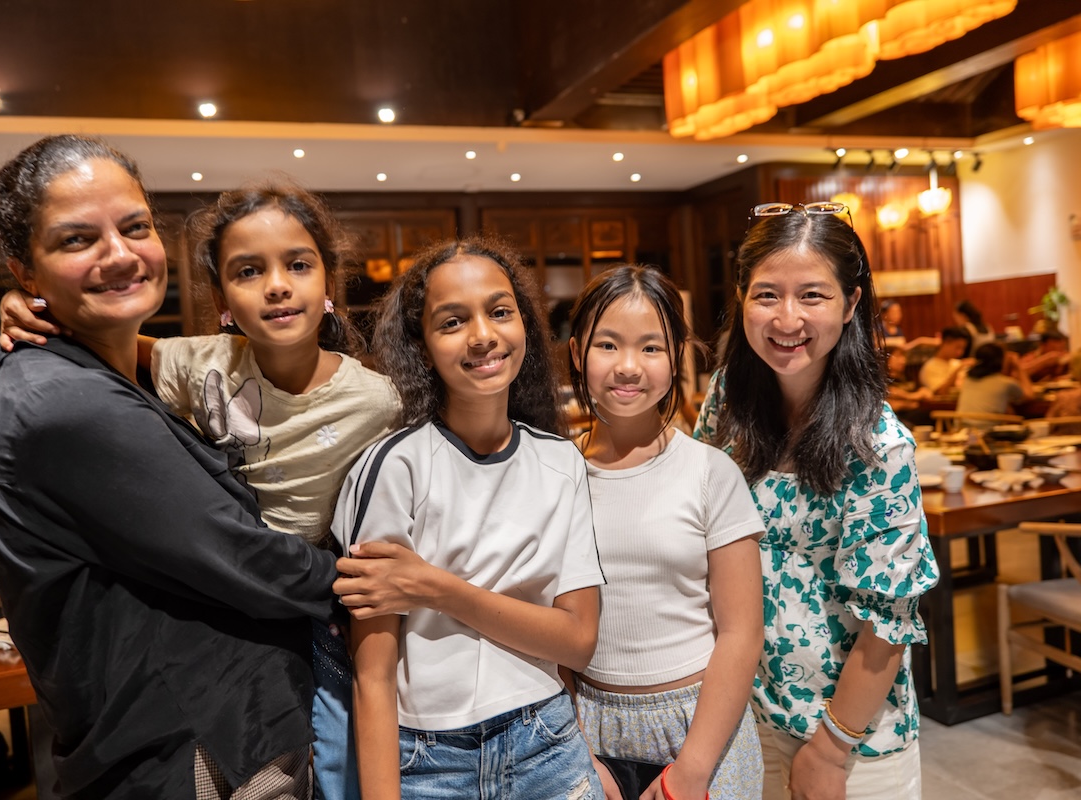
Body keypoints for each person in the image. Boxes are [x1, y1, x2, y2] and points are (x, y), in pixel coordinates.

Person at [0, 183, 404, 800]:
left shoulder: (377, 401)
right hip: (234, 614)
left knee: (341, 764)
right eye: (248, 271)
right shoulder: (203, 363)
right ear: (220, 299)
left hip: (323, 610)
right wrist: (29, 305)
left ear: (328, 282)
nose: (276, 285)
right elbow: (98, 340)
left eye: (298, 265)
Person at [331, 237, 606, 800]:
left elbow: (577, 641)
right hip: (428, 760)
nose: (483, 335)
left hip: (546, 739)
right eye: (453, 321)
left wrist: (436, 589)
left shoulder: (561, 461)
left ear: (524, 323)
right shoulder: (394, 467)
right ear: (421, 342)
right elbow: (372, 676)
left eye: (500, 312)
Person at [693, 201, 940, 800]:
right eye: (767, 295)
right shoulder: (728, 400)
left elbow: (887, 621)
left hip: (848, 738)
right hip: (741, 716)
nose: (787, 318)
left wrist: (830, 751)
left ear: (851, 304)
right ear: (741, 298)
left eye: (812, 295)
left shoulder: (877, 444)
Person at [566, 265, 765, 800]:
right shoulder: (554, 472)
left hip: (701, 726)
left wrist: (691, 771)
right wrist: (577, 749)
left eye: (651, 348)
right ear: (577, 352)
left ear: (676, 356)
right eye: (608, 345)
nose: (628, 366)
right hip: (585, 724)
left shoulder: (710, 472)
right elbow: (548, 625)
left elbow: (742, 632)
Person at [957, 343, 1033, 429]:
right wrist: (1018, 366)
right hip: (985, 433)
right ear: (1000, 360)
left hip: (960, 431)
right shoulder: (1005, 383)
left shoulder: (968, 379)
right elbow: (1029, 395)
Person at [917, 327, 971, 394]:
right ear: (946, 342)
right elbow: (940, 392)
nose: (960, 352)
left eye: (963, 348)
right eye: (958, 347)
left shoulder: (958, 363)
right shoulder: (930, 367)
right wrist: (958, 369)